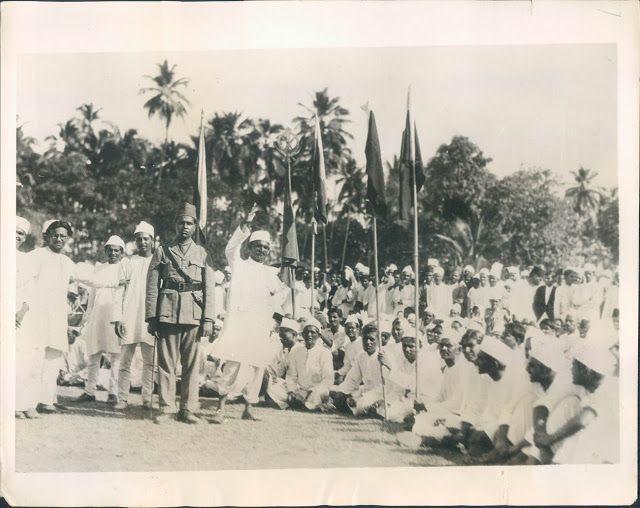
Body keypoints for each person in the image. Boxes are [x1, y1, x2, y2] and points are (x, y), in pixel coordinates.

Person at [18, 220, 125, 414]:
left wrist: (118, 280)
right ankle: (26, 403)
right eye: (55, 235)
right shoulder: (36, 256)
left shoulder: (67, 262)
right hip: (36, 315)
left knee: (53, 358)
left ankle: (45, 401)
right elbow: (25, 285)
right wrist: (23, 309)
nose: (59, 239)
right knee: (35, 358)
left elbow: (92, 279)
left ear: (67, 239)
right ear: (47, 235)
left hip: (57, 316)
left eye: (63, 236)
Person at [210, 208, 289, 423]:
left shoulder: (270, 273)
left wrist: (270, 310)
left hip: (259, 326)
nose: (262, 251)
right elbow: (230, 249)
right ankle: (221, 408)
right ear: (250, 247)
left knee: (256, 366)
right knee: (233, 365)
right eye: (258, 247)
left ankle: (248, 408)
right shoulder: (239, 265)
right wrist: (244, 226)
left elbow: (282, 294)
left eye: (265, 247)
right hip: (239, 324)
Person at [145, 203, 215, 424]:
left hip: (193, 313)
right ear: (175, 225)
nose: (185, 227)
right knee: (166, 364)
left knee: (192, 366)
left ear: (195, 226)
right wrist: (152, 316)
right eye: (181, 222)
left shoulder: (203, 253)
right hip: (167, 312)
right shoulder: (162, 250)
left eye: (189, 223)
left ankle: (188, 409)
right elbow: (152, 285)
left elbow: (209, 288)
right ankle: (166, 408)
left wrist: (209, 319)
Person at [76, 235, 128, 404]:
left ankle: (113, 393)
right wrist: (89, 315)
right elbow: (92, 293)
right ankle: (90, 391)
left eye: (116, 250)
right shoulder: (99, 268)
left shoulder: (125, 268)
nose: (113, 253)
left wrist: (122, 317)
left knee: (115, 355)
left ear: (121, 252)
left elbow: (125, 295)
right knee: (94, 353)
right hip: (97, 315)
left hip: (115, 316)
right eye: (110, 250)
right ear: (106, 251)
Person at [113, 221, 157, 410]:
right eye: (139, 239)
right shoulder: (127, 263)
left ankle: (147, 398)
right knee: (125, 361)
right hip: (129, 316)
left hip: (149, 318)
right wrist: (118, 317)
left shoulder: (158, 262)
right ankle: (122, 398)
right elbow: (119, 291)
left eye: (146, 239)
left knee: (149, 362)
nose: (142, 242)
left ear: (152, 241)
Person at [330, 323, 386, 416]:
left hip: (381, 393)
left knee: (362, 404)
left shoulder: (384, 355)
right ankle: (359, 406)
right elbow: (352, 379)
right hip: (365, 391)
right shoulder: (361, 356)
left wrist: (386, 364)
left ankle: (372, 408)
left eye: (371, 339)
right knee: (338, 397)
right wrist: (342, 392)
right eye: (365, 339)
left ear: (378, 340)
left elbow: (389, 384)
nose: (368, 342)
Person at [284, 320, 334, 411]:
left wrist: (311, 392)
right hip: (300, 390)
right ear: (302, 335)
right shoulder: (296, 351)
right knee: (276, 388)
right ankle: (305, 403)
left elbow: (328, 379)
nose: (309, 335)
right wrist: (291, 391)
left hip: (317, 390)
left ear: (319, 335)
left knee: (320, 393)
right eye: (306, 332)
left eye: (313, 332)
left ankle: (305, 404)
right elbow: (291, 375)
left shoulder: (325, 352)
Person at [265, 317, 299, 409]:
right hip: (286, 384)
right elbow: (280, 371)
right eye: (280, 337)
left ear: (294, 334)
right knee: (270, 391)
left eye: (284, 337)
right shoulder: (284, 351)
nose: (282, 339)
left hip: (300, 385)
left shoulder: (301, 350)